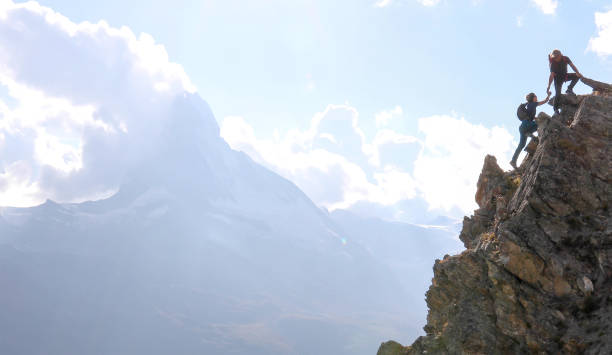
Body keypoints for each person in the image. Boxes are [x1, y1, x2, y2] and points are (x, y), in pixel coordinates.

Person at [510, 92, 550, 169]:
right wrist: (548, 95)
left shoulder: (529, 105)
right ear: (533, 98)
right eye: (535, 96)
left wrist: (535, 118)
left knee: (521, 145)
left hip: (523, 127)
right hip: (527, 124)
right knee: (540, 123)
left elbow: (530, 116)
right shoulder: (533, 104)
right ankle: (529, 133)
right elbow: (544, 101)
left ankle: (513, 161)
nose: (536, 97)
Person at [546, 49, 582, 114]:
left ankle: (569, 89)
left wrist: (577, 72)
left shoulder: (566, 58)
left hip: (565, 76)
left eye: (557, 57)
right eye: (554, 57)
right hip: (557, 79)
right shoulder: (553, 63)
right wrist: (548, 86)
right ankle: (555, 109)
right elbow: (551, 76)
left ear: (560, 55)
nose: (556, 58)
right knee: (558, 94)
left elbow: (572, 66)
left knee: (577, 76)